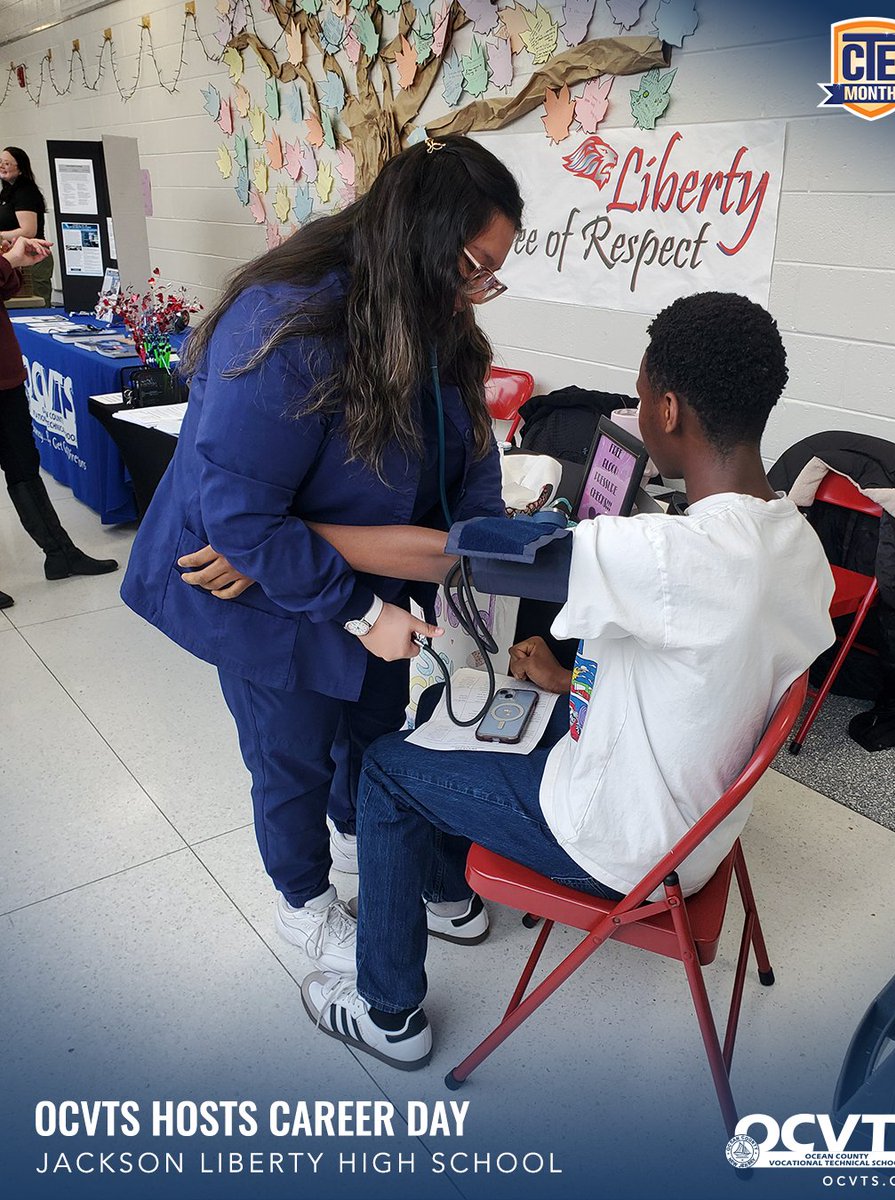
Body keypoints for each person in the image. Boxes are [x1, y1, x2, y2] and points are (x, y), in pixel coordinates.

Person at [283, 290, 837, 1069]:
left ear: (669, 410)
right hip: (696, 826)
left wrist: (283, 531)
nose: (638, 411)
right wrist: (564, 674)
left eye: (639, 396)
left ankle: (388, 1013)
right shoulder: (797, 544)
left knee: (384, 770)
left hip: (621, 844)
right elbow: (699, 662)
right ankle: (448, 900)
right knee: (454, 701)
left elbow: (457, 556)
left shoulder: (667, 556)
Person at [120, 136, 522, 974]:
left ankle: (365, 847)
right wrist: (364, 610)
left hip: (354, 570)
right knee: (291, 755)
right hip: (259, 588)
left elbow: (469, 454)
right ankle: (303, 902)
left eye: (492, 271)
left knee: (375, 732)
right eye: (474, 265)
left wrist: (479, 548)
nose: (479, 290)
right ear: (423, 241)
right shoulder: (288, 322)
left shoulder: (436, 318)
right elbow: (239, 515)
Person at [0, 236, 118, 610]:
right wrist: (9, 261)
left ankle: (60, 553)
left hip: (4, 375)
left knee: (23, 467)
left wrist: (13, 260)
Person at [0, 148, 53, 306]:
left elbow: (29, 231)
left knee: (36, 305)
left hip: (33, 257)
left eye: (7, 163)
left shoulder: (26, 192)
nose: (2, 166)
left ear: (20, 168)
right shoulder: (6, 192)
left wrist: (1, 235)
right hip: (14, 257)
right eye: (0, 162)